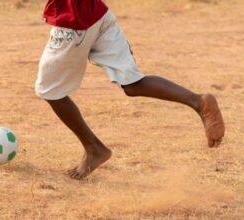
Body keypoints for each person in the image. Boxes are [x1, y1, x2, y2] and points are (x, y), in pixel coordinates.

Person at [35, 0, 225, 180]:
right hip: (99, 15)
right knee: (132, 84)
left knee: (50, 90)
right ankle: (198, 101)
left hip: (74, 21)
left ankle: (93, 148)